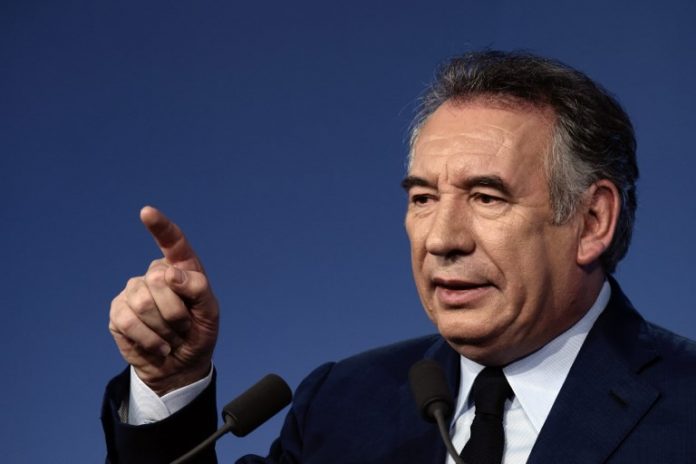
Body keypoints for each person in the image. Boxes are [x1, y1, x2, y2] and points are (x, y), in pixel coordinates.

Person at [102, 51, 696, 463]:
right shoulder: (343, 402)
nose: (441, 239)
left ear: (592, 222)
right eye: (423, 198)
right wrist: (171, 382)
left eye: (486, 197)